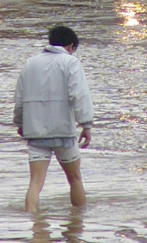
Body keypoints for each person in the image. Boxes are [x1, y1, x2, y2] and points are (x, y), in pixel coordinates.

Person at [13, 25, 94, 212]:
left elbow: (19, 99)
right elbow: (79, 95)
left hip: (36, 133)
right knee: (75, 179)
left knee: (35, 183)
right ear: (70, 46)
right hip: (63, 132)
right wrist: (86, 125)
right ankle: (78, 223)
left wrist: (20, 123)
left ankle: (34, 226)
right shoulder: (70, 62)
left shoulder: (30, 63)